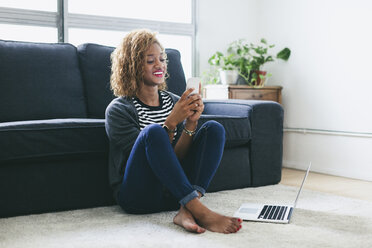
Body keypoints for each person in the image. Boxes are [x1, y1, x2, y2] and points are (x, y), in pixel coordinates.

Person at [105, 29, 242, 234]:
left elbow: (175, 159)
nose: (159, 65)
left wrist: (190, 125)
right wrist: (170, 123)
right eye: (150, 61)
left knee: (214, 128)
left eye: (162, 58)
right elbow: (148, 161)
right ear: (131, 66)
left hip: (173, 193)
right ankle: (199, 210)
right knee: (154, 133)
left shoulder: (174, 101)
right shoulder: (118, 110)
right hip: (139, 196)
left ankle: (186, 208)